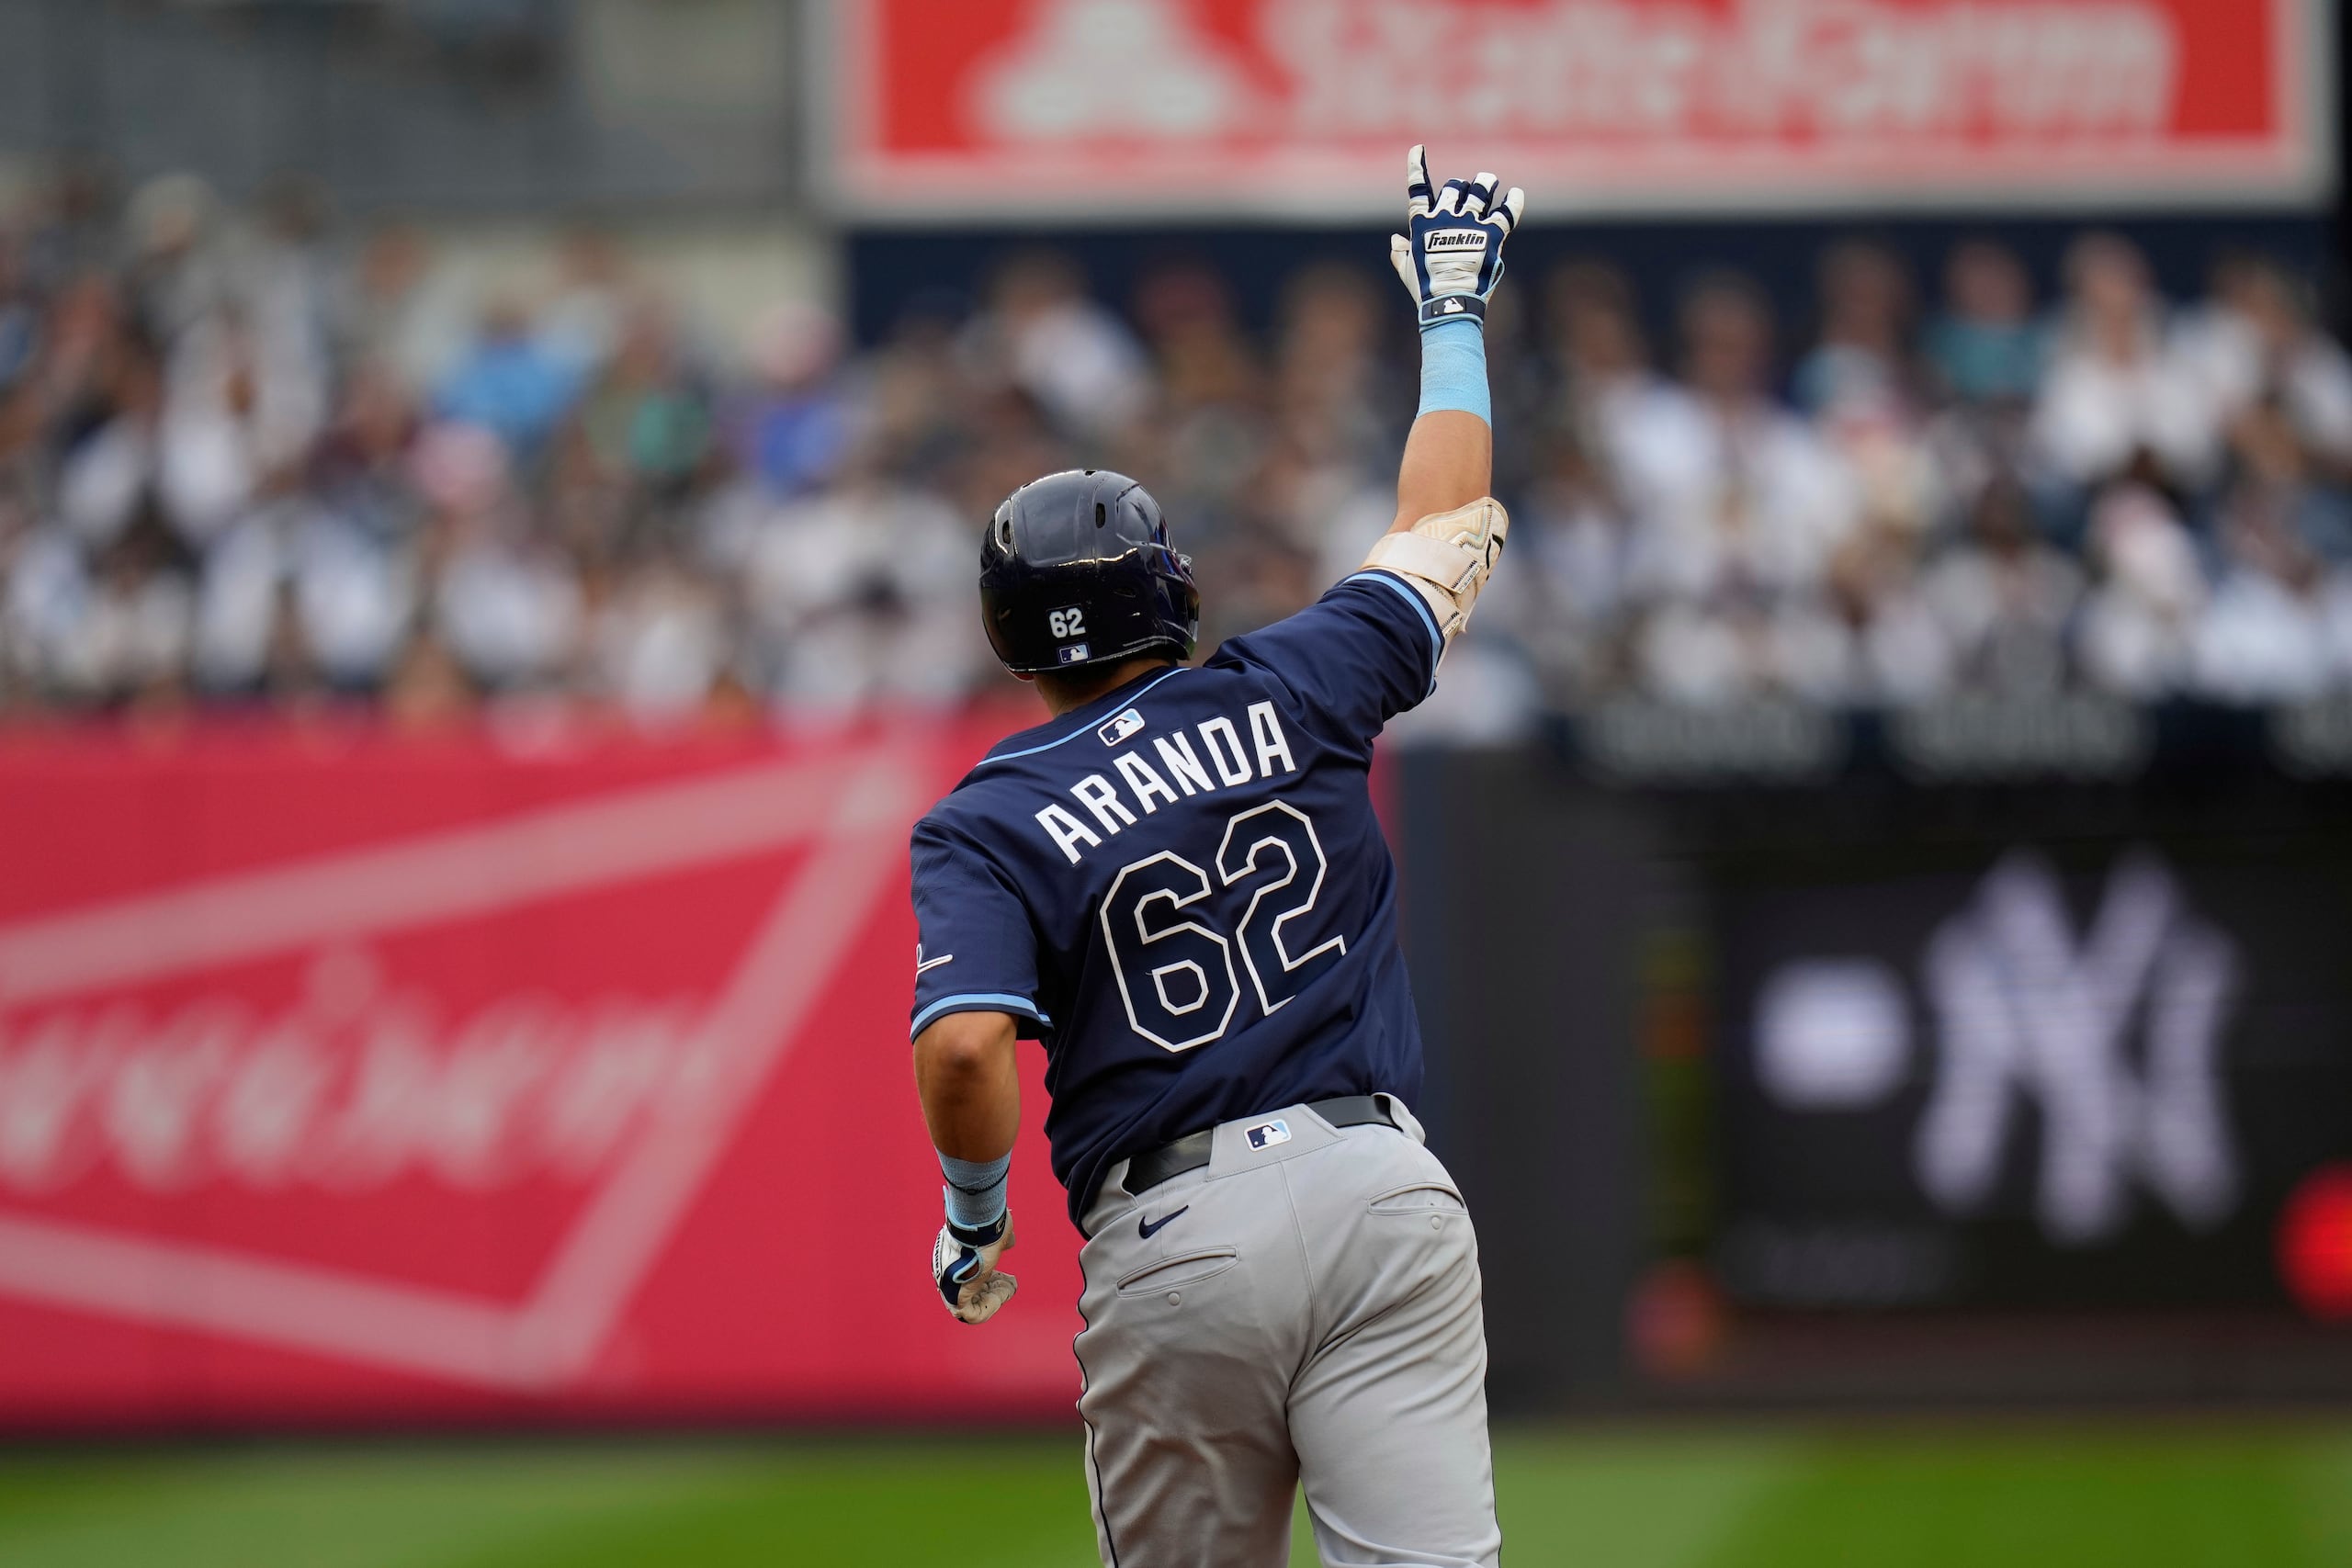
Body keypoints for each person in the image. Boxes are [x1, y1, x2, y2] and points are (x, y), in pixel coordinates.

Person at [905, 148, 1522, 1568]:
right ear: (1162, 587)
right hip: (1377, 1187)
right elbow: (1445, 522)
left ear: (1007, 631)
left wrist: (973, 1217)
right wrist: (1448, 314)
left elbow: (961, 1054)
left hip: (1174, 1233)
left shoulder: (986, 817)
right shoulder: (1286, 681)